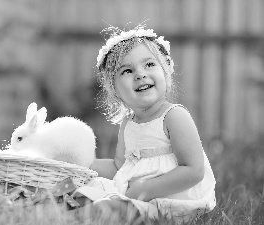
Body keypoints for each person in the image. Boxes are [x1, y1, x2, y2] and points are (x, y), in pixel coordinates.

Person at [75, 25, 216, 223]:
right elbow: (119, 167)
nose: (140, 74)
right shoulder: (128, 123)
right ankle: (61, 211)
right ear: (114, 89)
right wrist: (81, 164)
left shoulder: (174, 116)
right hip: (137, 199)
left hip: (171, 205)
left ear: (165, 71)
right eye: (127, 70)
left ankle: (70, 218)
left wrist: (144, 189)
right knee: (83, 190)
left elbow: (193, 170)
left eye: (149, 64)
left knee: (108, 207)